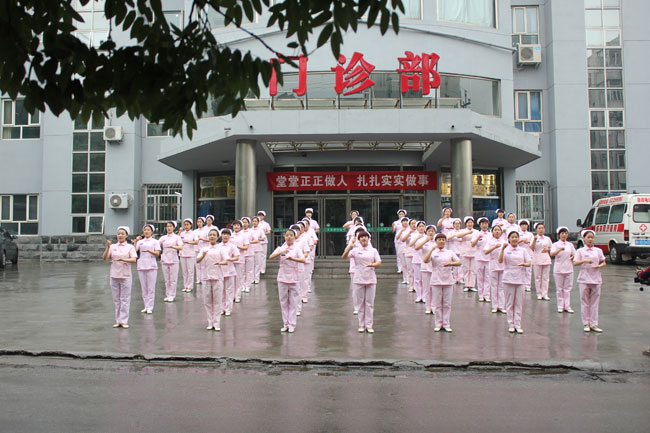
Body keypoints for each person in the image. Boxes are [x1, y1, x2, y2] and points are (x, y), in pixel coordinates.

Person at [343, 230, 382, 333]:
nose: (364, 238)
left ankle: (369, 325)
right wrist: (349, 247)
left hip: (371, 279)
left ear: (369, 238)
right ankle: (361, 324)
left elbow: (379, 262)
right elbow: (344, 257)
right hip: (358, 279)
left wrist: (372, 265)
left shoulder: (373, 250)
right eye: (361, 237)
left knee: (369, 303)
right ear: (359, 239)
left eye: (365, 237)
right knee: (360, 303)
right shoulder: (355, 250)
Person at [270, 229, 307, 333]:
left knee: (293, 302)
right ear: (284, 237)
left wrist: (292, 258)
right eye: (287, 235)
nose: (289, 237)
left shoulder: (297, 249)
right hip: (282, 277)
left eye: (291, 235)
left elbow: (303, 260)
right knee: (283, 302)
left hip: (294, 278)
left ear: (295, 237)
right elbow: (271, 257)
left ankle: (292, 324)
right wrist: (281, 252)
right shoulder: (281, 248)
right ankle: (285, 324)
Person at [423, 233, 461, 332]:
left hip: (448, 280)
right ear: (436, 241)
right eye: (439, 239)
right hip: (436, 280)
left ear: (445, 241)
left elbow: (459, 262)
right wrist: (431, 250)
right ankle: (438, 323)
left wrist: (451, 263)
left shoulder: (449, 252)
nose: (441, 241)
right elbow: (425, 260)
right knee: (437, 303)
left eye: (443, 239)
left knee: (447, 303)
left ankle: (446, 323)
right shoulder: (433, 252)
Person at [102, 226, 137, 328]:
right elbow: (105, 258)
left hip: (125, 275)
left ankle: (124, 320)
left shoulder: (130, 247)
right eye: (119, 234)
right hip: (114, 274)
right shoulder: (113, 246)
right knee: (116, 299)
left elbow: (134, 259)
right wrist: (108, 247)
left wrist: (123, 259)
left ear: (126, 235)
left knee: (125, 298)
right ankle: (118, 320)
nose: (120, 235)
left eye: (122, 234)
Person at [498, 229, 532, 334]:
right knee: (509, 303)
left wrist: (524, 265)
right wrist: (502, 250)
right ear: (508, 239)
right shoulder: (506, 249)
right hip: (508, 278)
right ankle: (511, 324)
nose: (514, 239)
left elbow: (529, 262)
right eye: (512, 237)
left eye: (516, 237)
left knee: (518, 303)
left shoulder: (523, 250)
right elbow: (500, 261)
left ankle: (518, 324)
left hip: (520, 279)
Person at [573, 229, 606, 333]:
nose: (590, 239)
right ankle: (586, 323)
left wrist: (599, 265)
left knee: (595, 303)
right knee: (585, 302)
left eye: (592, 237)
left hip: (596, 278)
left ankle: (594, 323)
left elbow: (604, 262)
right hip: (584, 279)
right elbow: (575, 263)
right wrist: (584, 260)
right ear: (584, 238)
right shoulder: (580, 251)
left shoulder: (598, 250)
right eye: (588, 237)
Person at [196, 228, 227, 331]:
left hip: (218, 276)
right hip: (206, 277)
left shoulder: (221, 248)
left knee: (217, 301)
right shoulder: (204, 249)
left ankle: (217, 323)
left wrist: (219, 263)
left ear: (217, 237)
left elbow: (226, 261)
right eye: (210, 235)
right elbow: (197, 260)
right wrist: (203, 255)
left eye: (214, 235)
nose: (212, 236)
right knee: (207, 301)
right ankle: (210, 322)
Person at [135, 224, 161, 314]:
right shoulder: (140, 242)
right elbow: (135, 251)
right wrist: (136, 241)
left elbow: (157, 253)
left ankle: (150, 306)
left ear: (152, 231)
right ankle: (145, 305)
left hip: (151, 265)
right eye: (145, 230)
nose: (146, 231)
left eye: (148, 230)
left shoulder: (155, 242)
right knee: (144, 287)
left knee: (151, 287)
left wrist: (150, 251)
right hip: (141, 265)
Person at [550, 227, 576, 314]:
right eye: (562, 233)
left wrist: (572, 257)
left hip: (568, 268)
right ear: (559, 235)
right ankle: (560, 306)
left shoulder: (570, 244)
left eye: (565, 233)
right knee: (559, 289)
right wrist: (559, 249)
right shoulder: (555, 244)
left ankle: (567, 306)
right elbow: (552, 254)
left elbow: (575, 254)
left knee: (567, 288)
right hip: (558, 269)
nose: (564, 235)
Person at [159, 221, 183, 302]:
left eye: (170, 226)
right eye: (167, 226)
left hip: (173, 259)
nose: (168, 228)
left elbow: (181, 247)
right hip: (164, 259)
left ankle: (172, 295)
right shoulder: (163, 238)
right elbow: (157, 244)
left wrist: (174, 246)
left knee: (173, 279)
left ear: (174, 227)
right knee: (167, 279)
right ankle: (168, 294)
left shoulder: (177, 237)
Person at [414, 225, 436, 314]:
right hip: (425, 267)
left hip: (435, 267)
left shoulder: (437, 241)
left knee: (434, 289)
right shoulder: (422, 241)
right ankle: (428, 306)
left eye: (432, 231)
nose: (431, 232)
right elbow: (416, 248)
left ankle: (434, 307)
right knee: (427, 289)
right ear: (426, 232)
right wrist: (426, 240)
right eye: (429, 231)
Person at [217, 228, 240, 316]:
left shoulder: (232, 246)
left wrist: (229, 259)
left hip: (230, 270)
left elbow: (237, 257)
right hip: (220, 270)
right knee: (221, 290)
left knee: (229, 290)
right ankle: (222, 308)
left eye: (227, 234)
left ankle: (228, 309)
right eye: (223, 234)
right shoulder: (218, 246)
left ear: (230, 236)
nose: (225, 236)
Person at [484, 225, 505, 313]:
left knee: (501, 287)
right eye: (495, 230)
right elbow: (485, 252)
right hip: (492, 265)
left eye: (498, 230)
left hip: (503, 266)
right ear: (492, 232)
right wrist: (495, 247)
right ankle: (495, 306)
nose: (497, 232)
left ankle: (501, 306)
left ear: (501, 232)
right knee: (494, 286)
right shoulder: (489, 242)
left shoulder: (504, 241)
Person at [471, 216, 492, 302]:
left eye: (485, 224)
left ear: (488, 225)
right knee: (480, 277)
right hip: (479, 258)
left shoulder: (491, 234)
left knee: (487, 277)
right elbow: (472, 245)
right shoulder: (476, 233)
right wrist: (478, 238)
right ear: (480, 225)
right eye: (482, 224)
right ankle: (481, 295)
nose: (484, 225)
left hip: (489, 258)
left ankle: (487, 295)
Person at [530, 222, 552, 301]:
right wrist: (535, 240)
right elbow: (531, 248)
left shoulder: (547, 238)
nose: (541, 230)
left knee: (545, 277)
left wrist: (548, 249)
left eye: (542, 228)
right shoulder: (534, 238)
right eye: (539, 228)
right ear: (536, 229)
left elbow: (551, 247)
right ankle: (539, 293)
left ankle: (545, 294)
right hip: (537, 259)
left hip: (546, 258)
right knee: (538, 277)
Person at [230, 219, 249, 302]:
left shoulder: (244, 236)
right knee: (231, 279)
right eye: (234, 225)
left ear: (240, 226)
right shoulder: (230, 235)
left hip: (240, 259)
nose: (236, 227)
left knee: (238, 278)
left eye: (238, 225)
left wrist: (237, 247)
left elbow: (246, 247)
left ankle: (237, 296)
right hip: (231, 259)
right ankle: (231, 295)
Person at [409, 221, 427, 302]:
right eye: (419, 226)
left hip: (425, 260)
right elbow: (411, 244)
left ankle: (425, 296)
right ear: (417, 227)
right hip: (416, 259)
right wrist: (418, 237)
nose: (421, 227)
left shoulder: (427, 236)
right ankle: (419, 295)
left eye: (423, 226)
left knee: (424, 279)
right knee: (417, 279)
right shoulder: (413, 235)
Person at [179, 218, 198, 292]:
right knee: (184, 271)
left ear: (191, 225)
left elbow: (196, 242)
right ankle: (185, 285)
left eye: (188, 225)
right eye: (185, 225)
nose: (186, 226)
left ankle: (190, 286)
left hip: (190, 254)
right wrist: (180, 231)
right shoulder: (182, 233)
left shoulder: (193, 233)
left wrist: (189, 242)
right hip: (182, 253)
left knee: (190, 271)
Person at [459, 217, 477, 292]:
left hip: (474, 252)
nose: (470, 224)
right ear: (466, 224)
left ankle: (472, 285)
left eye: (471, 222)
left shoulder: (476, 231)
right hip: (465, 252)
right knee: (466, 269)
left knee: (472, 270)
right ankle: (467, 285)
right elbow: (458, 236)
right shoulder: (463, 231)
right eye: (468, 222)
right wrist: (467, 233)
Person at [401, 218, 418, 290]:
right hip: (409, 252)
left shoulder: (419, 232)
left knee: (417, 271)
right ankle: (412, 286)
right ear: (409, 225)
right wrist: (409, 233)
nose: (414, 225)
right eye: (412, 223)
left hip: (417, 253)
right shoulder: (406, 231)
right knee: (410, 270)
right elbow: (403, 239)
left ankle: (418, 286)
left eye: (415, 223)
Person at [446, 218, 464, 284]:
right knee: (454, 265)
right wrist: (454, 235)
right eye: (456, 224)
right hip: (453, 250)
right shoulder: (450, 232)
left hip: (461, 250)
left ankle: (460, 278)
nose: (457, 225)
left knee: (461, 265)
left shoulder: (462, 231)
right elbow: (447, 238)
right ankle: (455, 278)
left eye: (458, 224)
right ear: (453, 225)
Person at [518, 219, 534, 292]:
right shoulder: (518, 233)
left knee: (528, 270)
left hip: (528, 253)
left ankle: (528, 285)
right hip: (520, 253)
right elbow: (514, 242)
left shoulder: (530, 234)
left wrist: (529, 241)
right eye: (522, 225)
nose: (524, 226)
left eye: (525, 225)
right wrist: (521, 240)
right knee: (521, 270)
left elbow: (533, 243)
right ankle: (522, 284)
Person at [250, 216, 266, 285]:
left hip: (258, 248)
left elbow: (263, 238)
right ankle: (251, 279)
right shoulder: (250, 230)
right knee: (251, 264)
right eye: (253, 221)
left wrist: (257, 239)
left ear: (258, 222)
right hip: (251, 248)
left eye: (256, 221)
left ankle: (256, 279)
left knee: (257, 264)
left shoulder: (260, 230)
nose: (254, 222)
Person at [241, 217, 255, 292]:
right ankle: (242, 285)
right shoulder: (240, 232)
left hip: (250, 253)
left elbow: (256, 240)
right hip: (242, 254)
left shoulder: (251, 232)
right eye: (243, 222)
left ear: (248, 223)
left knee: (249, 270)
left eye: (246, 222)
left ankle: (248, 286)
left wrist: (249, 242)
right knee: (242, 271)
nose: (244, 224)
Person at [392, 209, 407, 274]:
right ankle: (399, 268)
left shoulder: (408, 221)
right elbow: (393, 231)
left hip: (406, 239)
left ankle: (405, 268)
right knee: (399, 254)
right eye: (400, 214)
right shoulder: (396, 222)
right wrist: (392, 226)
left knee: (406, 254)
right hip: (398, 239)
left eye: (402, 214)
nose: (401, 215)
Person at [257, 211, 272, 275]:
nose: (260, 216)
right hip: (257, 241)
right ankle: (257, 269)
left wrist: (262, 233)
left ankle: (262, 270)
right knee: (257, 256)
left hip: (263, 241)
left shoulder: (266, 224)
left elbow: (269, 231)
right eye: (259, 215)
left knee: (263, 255)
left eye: (261, 215)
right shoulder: (256, 223)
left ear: (264, 216)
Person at [194, 217, 207, 283]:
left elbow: (209, 239)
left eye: (200, 222)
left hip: (203, 249)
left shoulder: (206, 231)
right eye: (198, 222)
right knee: (197, 265)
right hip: (196, 249)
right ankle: (198, 279)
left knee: (203, 265)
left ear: (203, 223)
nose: (199, 223)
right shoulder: (195, 231)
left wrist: (202, 239)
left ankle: (203, 278)